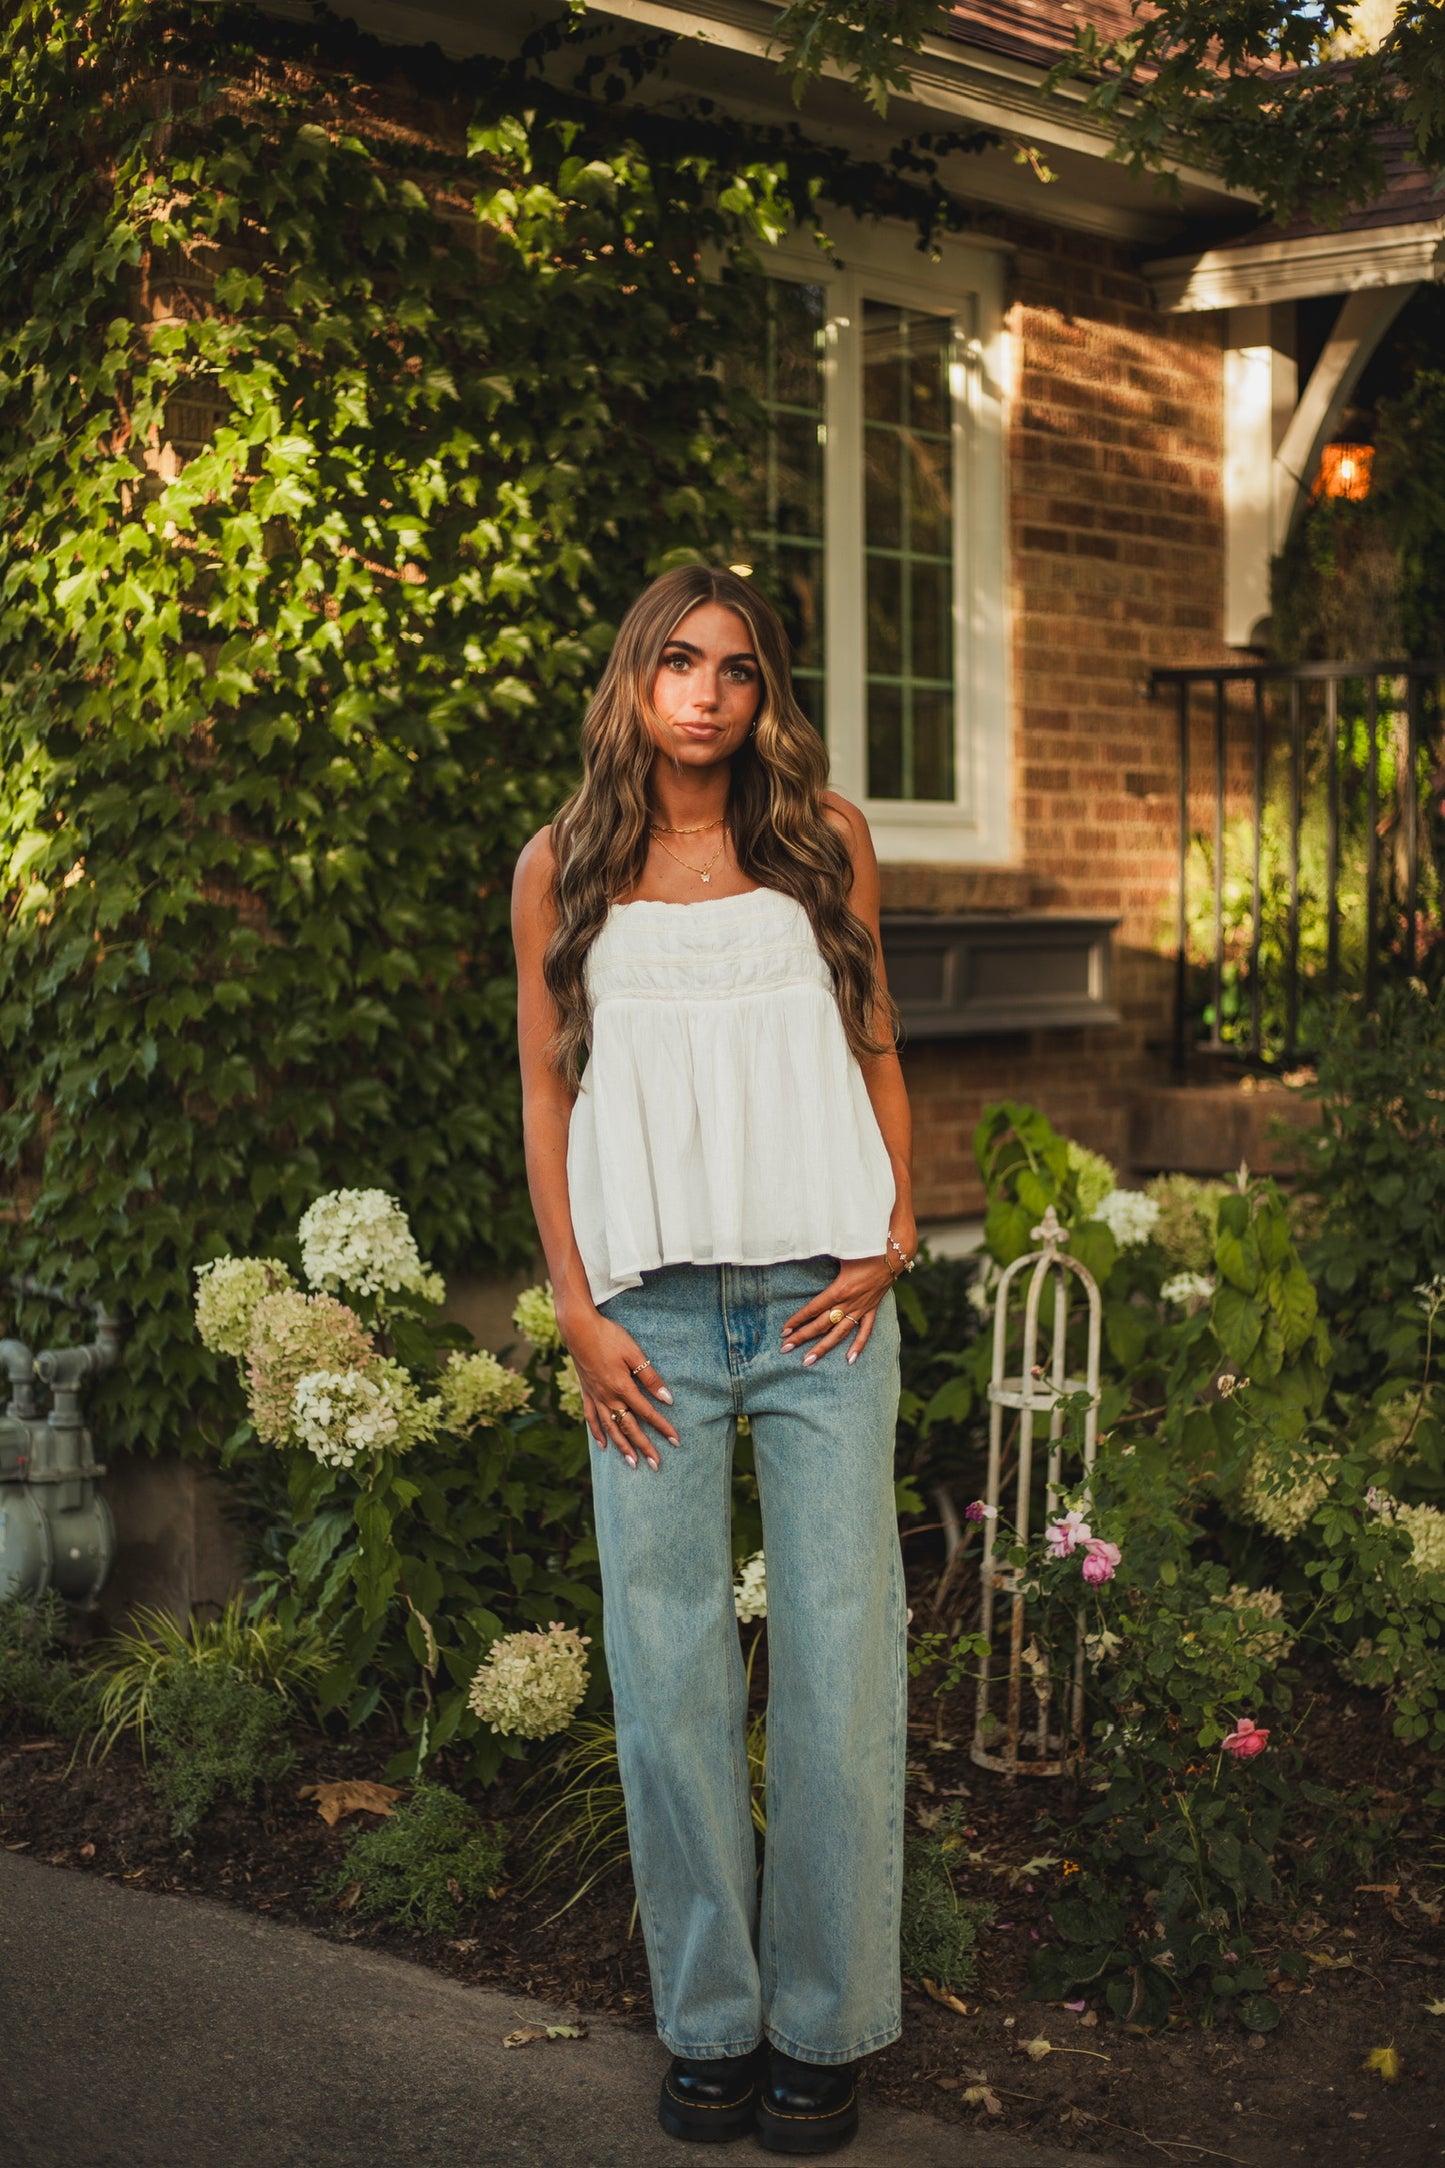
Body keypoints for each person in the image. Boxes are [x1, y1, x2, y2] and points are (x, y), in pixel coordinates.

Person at [511, 564, 918, 2156]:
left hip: (823, 1302)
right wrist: (574, 1307)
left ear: (764, 696)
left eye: (734, 670)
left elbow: (876, 1042)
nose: (702, 693)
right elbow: (550, 1101)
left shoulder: (823, 847)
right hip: (650, 1325)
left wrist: (892, 1236)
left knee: (838, 1667)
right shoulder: (563, 869)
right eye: (674, 664)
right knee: (669, 1674)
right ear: (633, 681)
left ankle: (822, 2027)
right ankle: (710, 2022)